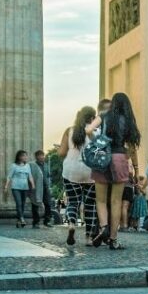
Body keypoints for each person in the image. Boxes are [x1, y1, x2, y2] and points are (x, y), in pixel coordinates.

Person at [89, 92, 141, 249]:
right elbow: (131, 148)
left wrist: (99, 142)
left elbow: (88, 130)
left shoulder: (104, 116)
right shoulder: (129, 121)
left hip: (103, 157)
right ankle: (113, 239)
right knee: (116, 201)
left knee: (101, 200)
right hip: (120, 158)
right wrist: (136, 169)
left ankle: (104, 227)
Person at [58, 105, 97, 247]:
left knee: (73, 202)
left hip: (71, 171)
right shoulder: (96, 132)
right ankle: (88, 238)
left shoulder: (69, 131)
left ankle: (72, 224)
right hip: (90, 173)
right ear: (93, 118)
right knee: (90, 205)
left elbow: (62, 153)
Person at [5, 150, 34, 228]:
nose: (25, 157)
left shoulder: (27, 166)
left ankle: (18, 220)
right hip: (16, 187)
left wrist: (33, 185)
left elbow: (30, 176)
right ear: (19, 157)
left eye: (26, 156)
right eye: (24, 156)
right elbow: (9, 176)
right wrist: (6, 186)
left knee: (23, 204)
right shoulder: (14, 165)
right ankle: (22, 218)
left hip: (25, 187)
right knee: (19, 203)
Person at [29, 149, 52, 228]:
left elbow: (48, 176)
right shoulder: (33, 165)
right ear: (36, 157)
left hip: (45, 187)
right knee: (35, 204)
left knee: (48, 204)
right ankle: (35, 222)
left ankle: (47, 221)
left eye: (43, 155)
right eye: (40, 155)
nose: (42, 157)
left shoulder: (46, 165)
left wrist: (49, 186)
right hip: (37, 187)